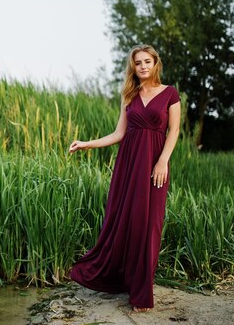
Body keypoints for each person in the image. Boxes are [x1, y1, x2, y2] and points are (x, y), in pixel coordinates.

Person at [68, 44, 181, 312]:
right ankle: (124, 281)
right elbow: (118, 134)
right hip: (128, 168)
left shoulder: (170, 94)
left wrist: (162, 160)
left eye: (147, 61)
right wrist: (86, 144)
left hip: (155, 167)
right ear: (133, 67)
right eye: (138, 63)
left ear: (156, 63)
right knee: (125, 222)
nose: (142, 66)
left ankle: (142, 293)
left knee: (149, 225)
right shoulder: (129, 95)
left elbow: (174, 131)